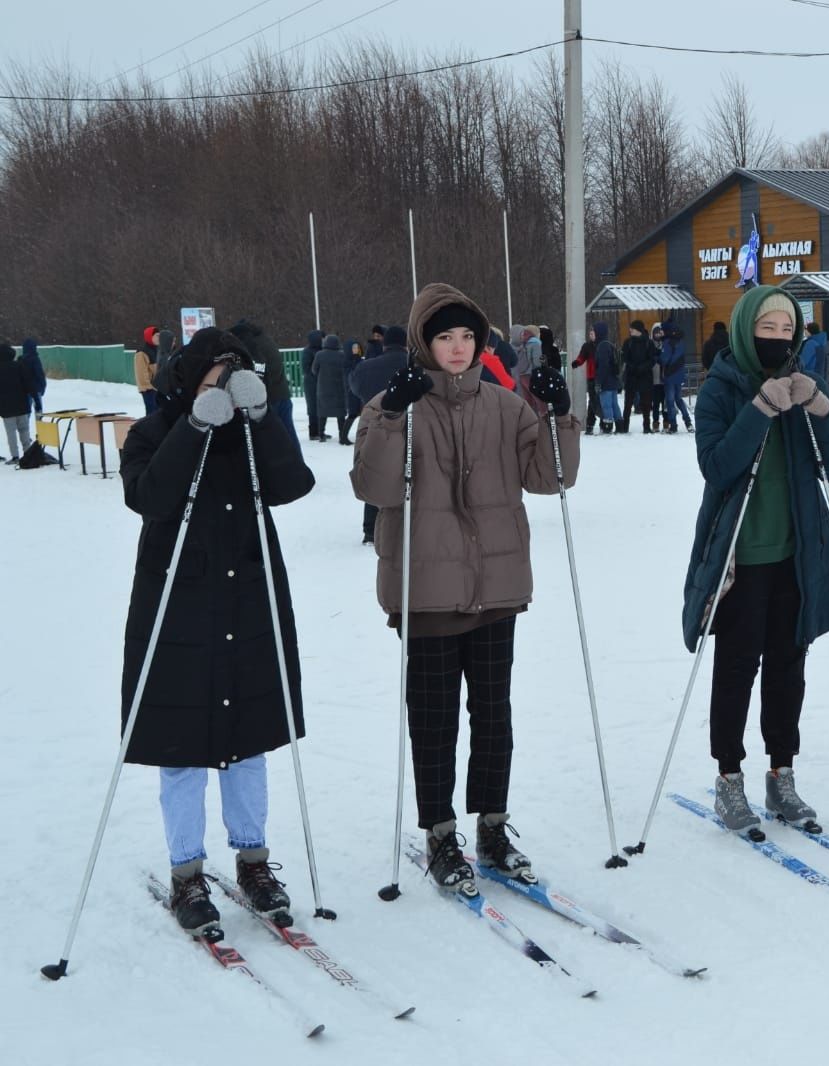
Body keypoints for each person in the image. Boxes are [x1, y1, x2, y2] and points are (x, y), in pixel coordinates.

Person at [351, 282, 580, 888]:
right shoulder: (390, 407)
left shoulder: (506, 406)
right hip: (425, 592)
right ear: (424, 342)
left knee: (494, 715)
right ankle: (440, 832)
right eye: (444, 337)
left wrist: (556, 412)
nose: (457, 348)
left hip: (496, 587)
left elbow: (550, 477)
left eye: (467, 337)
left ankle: (492, 825)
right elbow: (373, 489)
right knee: (433, 718)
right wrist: (393, 416)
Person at [119, 327, 315, 937]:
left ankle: (254, 862)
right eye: (217, 378)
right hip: (177, 611)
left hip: (245, 606)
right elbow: (149, 496)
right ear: (190, 378)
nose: (226, 391)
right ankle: (186, 872)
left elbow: (293, 484)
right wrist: (194, 427)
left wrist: (263, 418)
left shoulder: (250, 438)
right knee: (180, 748)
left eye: (237, 377)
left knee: (247, 741)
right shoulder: (155, 431)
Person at [682, 285, 829, 835]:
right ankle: (728, 777)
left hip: (796, 551)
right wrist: (759, 410)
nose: (778, 339)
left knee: (788, 667)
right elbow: (718, 466)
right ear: (744, 329)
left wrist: (820, 406)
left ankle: (782, 773)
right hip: (740, 554)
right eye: (768, 329)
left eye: (787, 330)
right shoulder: (720, 389)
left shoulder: (806, 383)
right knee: (736, 668)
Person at [350, 325, 412, 546]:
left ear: (385, 344)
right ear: (406, 344)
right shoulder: (414, 367)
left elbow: (354, 385)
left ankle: (370, 529)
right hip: (409, 425)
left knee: (374, 469)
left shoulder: (367, 367)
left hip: (373, 422)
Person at [228, 318, 299, 456]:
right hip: (282, 394)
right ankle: (298, 465)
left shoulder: (253, 346)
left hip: (271, 398)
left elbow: (260, 373)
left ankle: (284, 468)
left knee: (270, 439)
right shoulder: (265, 339)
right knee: (289, 435)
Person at [312, 333, 352, 444]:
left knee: (322, 412)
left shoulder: (319, 355)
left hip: (323, 388)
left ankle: (321, 434)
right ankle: (342, 435)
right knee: (340, 414)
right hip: (338, 388)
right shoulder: (342, 355)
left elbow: (314, 370)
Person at [619, 320, 657, 434]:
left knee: (646, 403)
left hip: (645, 376)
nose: (630, 330)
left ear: (638, 330)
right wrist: (632, 367)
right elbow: (624, 358)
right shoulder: (627, 342)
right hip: (631, 376)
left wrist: (642, 367)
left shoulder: (649, 343)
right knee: (628, 403)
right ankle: (625, 426)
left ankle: (647, 426)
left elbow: (652, 360)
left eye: (633, 328)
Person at [1, 342, 33, 463]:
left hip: (6, 407)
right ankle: (28, 453)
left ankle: (15, 456)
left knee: (11, 433)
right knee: (24, 430)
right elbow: (28, 383)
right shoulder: (19, 366)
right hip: (22, 404)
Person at [659, 317, 692, 433]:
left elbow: (664, 359)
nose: (660, 332)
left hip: (670, 375)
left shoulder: (667, 343)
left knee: (670, 400)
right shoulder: (680, 341)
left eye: (662, 330)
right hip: (679, 374)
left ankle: (673, 425)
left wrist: (657, 357)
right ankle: (688, 422)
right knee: (679, 399)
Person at [570, 324, 602, 435]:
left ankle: (603, 422)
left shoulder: (603, 345)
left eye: (592, 333)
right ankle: (590, 424)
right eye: (590, 333)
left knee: (601, 400)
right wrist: (577, 363)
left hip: (602, 377)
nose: (590, 335)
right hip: (592, 377)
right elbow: (582, 357)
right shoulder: (587, 346)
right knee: (593, 401)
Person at [300, 330, 325, 442]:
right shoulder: (307, 351)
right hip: (311, 383)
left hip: (319, 383)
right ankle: (313, 432)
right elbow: (306, 369)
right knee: (312, 407)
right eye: (322, 338)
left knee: (320, 406)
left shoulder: (321, 350)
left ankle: (320, 431)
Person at [135, 327, 161, 414]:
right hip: (149, 390)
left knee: (158, 414)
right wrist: (148, 387)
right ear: (150, 336)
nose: (159, 338)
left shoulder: (157, 350)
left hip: (157, 389)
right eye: (157, 336)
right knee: (152, 414)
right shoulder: (142, 352)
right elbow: (141, 373)